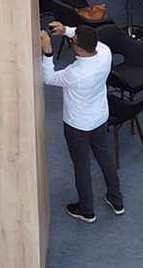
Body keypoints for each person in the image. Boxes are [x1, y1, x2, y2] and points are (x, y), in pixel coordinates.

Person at [40, 20, 122, 223]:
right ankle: (116, 200)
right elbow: (85, 36)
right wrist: (67, 30)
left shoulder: (75, 74)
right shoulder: (104, 52)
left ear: (80, 49)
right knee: (104, 157)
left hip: (77, 126)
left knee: (82, 165)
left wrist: (48, 52)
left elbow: (48, 78)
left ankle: (87, 210)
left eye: (73, 42)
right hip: (99, 117)